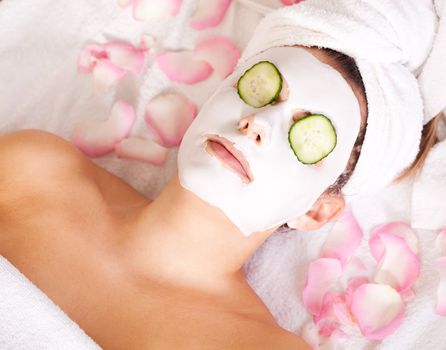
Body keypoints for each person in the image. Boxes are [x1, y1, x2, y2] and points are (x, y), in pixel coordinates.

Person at [0, 0, 443, 348]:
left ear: (316, 212)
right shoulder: (34, 175)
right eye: (261, 88)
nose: (257, 125)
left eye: (307, 134)